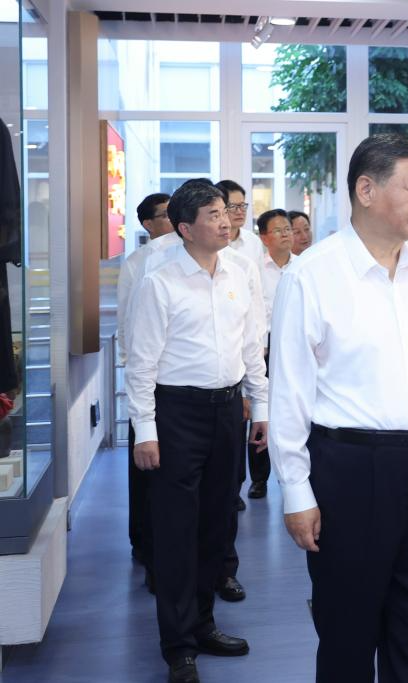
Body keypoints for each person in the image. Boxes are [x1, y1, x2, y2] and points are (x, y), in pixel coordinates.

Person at [268, 133, 408, 682]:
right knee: (348, 634)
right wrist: (296, 491)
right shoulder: (312, 275)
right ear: (366, 189)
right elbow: (288, 393)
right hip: (352, 472)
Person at [125, 180, 268, 683]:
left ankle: (204, 625)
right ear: (185, 228)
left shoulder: (240, 272)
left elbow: (251, 345)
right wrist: (146, 430)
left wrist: (261, 405)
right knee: (176, 531)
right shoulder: (159, 282)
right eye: (213, 214)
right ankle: (178, 646)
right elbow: (141, 363)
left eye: (225, 212)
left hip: (228, 409)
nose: (225, 221)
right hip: (176, 413)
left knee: (216, 524)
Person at [116, 192, 171, 586]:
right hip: (148, 383)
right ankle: (146, 548)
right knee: (146, 476)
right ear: (148, 225)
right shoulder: (138, 264)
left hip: (182, 387)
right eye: (164, 215)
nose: (172, 220)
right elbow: (126, 323)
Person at [213, 179, 264, 601]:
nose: (235, 215)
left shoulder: (245, 262)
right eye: (227, 208)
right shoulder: (163, 268)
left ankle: (224, 572)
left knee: (226, 494)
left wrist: (254, 395)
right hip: (180, 401)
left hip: (232, 391)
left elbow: (252, 334)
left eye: (240, 207)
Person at [245, 209, 293, 499]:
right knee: (261, 411)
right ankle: (259, 478)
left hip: (295, 345)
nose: (286, 234)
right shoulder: (254, 270)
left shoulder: (304, 267)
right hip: (264, 346)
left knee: (294, 410)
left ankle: (296, 476)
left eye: (288, 228)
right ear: (264, 237)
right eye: (278, 230)